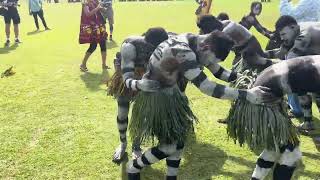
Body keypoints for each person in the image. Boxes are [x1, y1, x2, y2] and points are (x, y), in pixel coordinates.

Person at [126, 31, 276, 180]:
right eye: (209, 59)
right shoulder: (184, 52)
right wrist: (246, 95)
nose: (207, 64)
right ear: (206, 47)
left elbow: (218, 71)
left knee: (179, 144)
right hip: (156, 101)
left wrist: (246, 77)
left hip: (170, 97)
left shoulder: (193, 41)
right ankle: (134, 167)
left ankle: (171, 177)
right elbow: (207, 87)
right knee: (170, 146)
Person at [107, 27, 170, 163]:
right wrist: (139, 84)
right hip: (126, 77)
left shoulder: (166, 44)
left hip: (145, 77)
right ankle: (123, 144)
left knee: (142, 115)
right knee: (122, 113)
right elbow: (127, 76)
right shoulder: (129, 46)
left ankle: (136, 146)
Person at [270, 15, 320, 131]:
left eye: (283, 34)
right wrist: (261, 55)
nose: (282, 38)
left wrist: (267, 66)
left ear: (293, 27)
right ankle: (308, 123)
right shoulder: (296, 32)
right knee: (303, 85)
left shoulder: (303, 36)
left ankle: (308, 123)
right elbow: (281, 52)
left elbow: (290, 61)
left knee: (299, 80)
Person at [79, 0, 109, 72]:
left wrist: (105, 8)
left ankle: (104, 65)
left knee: (103, 44)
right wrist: (97, 8)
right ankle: (83, 64)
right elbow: (88, 14)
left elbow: (102, 11)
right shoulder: (85, 3)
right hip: (92, 28)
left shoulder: (95, 1)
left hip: (99, 26)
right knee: (93, 46)